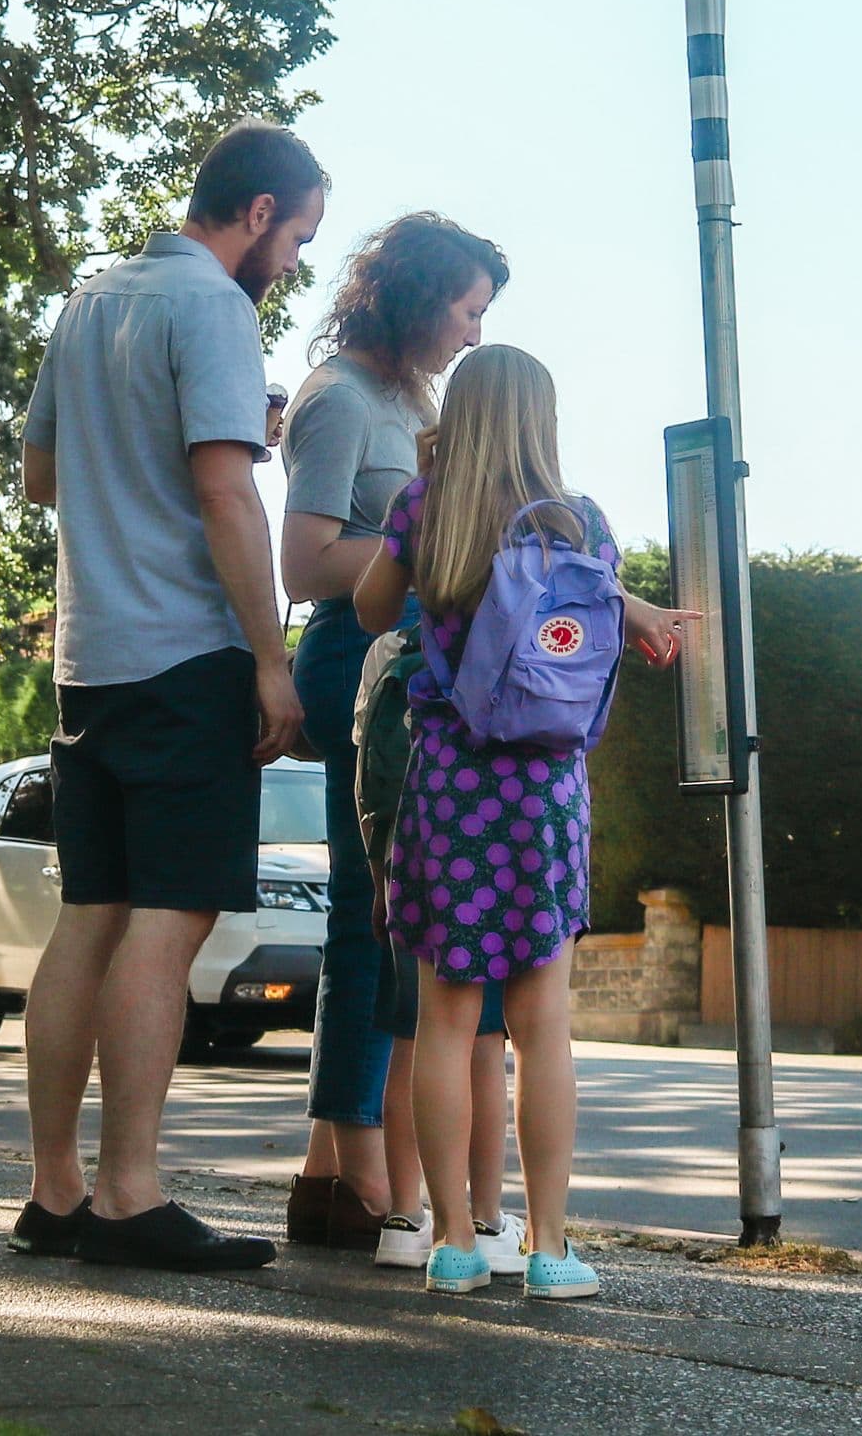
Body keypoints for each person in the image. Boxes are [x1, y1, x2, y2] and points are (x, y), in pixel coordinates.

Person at [12, 122, 324, 1272]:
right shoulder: (217, 309)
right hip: (186, 654)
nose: (293, 259)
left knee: (90, 914)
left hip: (88, 658)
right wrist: (272, 661)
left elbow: (42, 476)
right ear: (256, 211)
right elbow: (225, 494)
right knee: (173, 911)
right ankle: (129, 1195)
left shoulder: (89, 302)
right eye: (298, 235)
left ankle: (55, 1192)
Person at [355, 345, 692, 1300]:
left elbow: (372, 610)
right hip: (545, 791)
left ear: (458, 416)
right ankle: (548, 1248)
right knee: (544, 1029)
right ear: (542, 421)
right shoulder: (581, 522)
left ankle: (455, 1243)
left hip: (449, 787)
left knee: (445, 1021)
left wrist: (415, 518)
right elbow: (601, 614)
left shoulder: (426, 509)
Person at [274, 214, 508, 1259]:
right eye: (467, 309)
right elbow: (303, 562)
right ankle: (361, 1167)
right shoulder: (337, 399)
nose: (473, 333)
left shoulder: (413, 399)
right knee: (369, 923)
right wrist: (423, 549)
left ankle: (329, 1175)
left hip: (414, 666)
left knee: (379, 923)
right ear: (418, 298)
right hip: (360, 664)